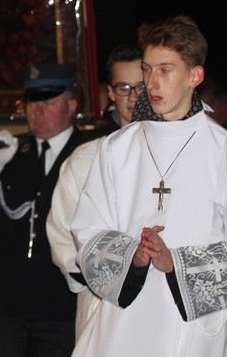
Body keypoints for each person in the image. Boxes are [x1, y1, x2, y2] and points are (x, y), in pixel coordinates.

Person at [71, 15, 227, 356]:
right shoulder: (116, 149)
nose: (152, 83)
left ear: (195, 75)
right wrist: (130, 256)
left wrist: (177, 263)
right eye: (147, 69)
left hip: (190, 328)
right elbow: (86, 231)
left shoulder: (226, 153)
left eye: (165, 70)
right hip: (122, 325)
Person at [0, 63, 97, 357]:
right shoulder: (11, 151)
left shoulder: (89, 152)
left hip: (58, 302)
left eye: (50, 103)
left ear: (72, 104)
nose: (38, 112)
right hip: (7, 304)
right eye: (32, 103)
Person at [45, 43, 142, 351]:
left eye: (140, 87)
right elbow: (63, 240)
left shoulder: (177, 154)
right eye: (123, 88)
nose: (133, 97)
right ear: (110, 93)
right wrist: (117, 279)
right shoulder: (86, 157)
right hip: (103, 306)